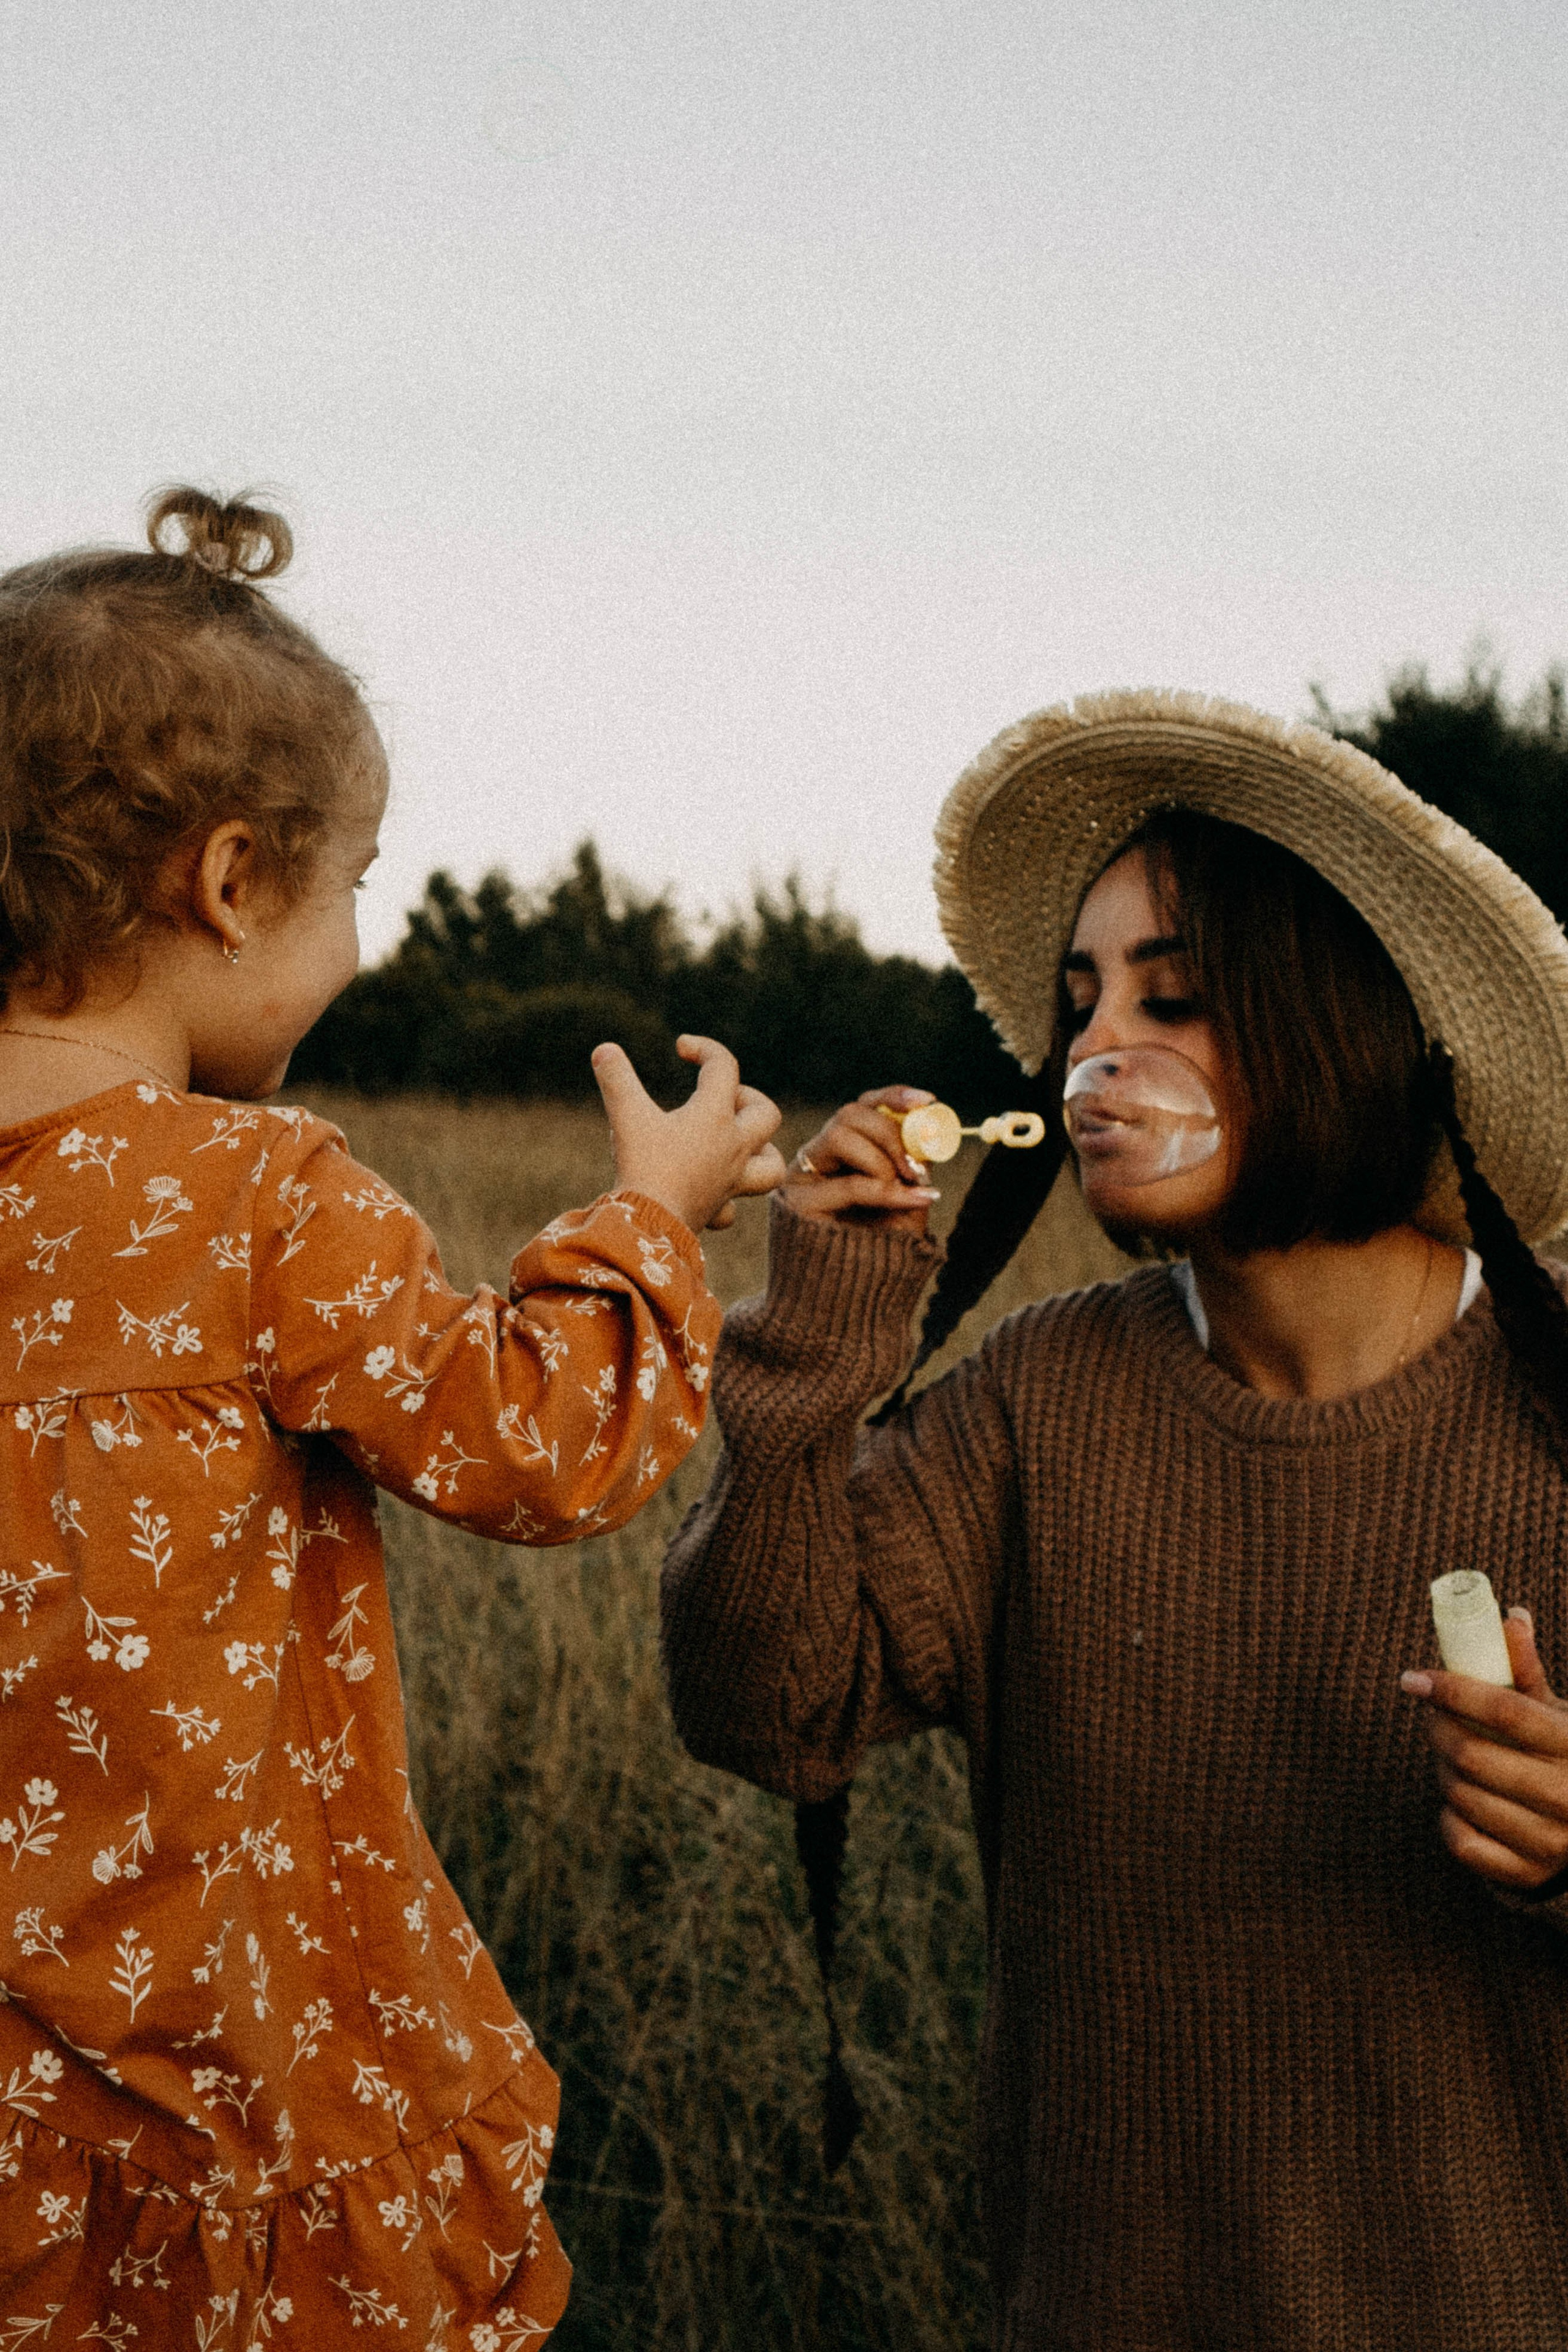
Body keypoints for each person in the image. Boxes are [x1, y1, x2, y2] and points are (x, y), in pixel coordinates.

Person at [662, 689, 1568, 2351]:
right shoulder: (1035, 1396)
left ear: (1351, 1025)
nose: (1092, 1050)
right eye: (1081, 1003)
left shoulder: (1559, 1403)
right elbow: (767, 1714)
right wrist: (815, 1352)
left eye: (1180, 998)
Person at [0, 489, 785, 2342]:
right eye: (357, 879)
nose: (363, 928)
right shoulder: (255, 1201)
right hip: (211, 2064)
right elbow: (537, 1444)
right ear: (230, 880)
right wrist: (654, 1222)